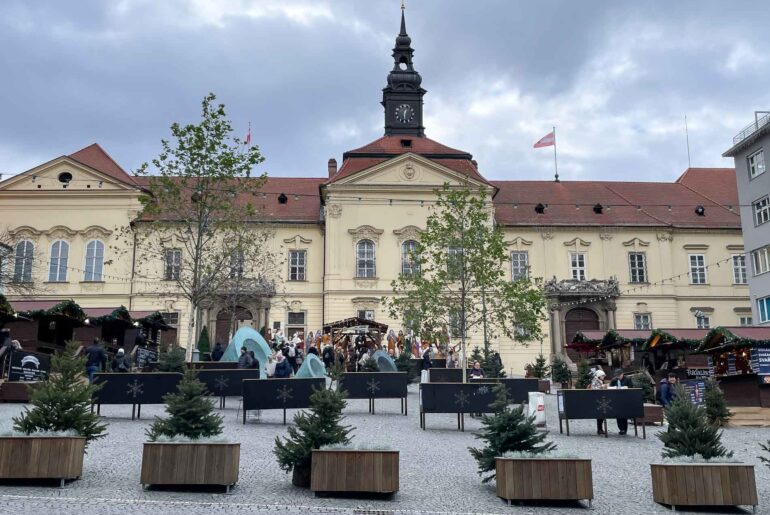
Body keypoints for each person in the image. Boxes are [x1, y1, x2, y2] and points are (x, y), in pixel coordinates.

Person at [609, 368, 632, 435]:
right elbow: (610, 388)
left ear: (622, 374)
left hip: (625, 399)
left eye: (619, 375)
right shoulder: (614, 380)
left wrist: (626, 388)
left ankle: (624, 429)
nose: (618, 377)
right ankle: (621, 429)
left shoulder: (627, 379)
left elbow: (631, 387)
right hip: (616, 399)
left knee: (624, 415)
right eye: (617, 376)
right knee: (618, 415)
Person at [589, 369, 607, 435]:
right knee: (599, 415)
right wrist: (602, 386)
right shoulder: (595, 381)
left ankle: (600, 429)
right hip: (597, 400)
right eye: (602, 376)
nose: (603, 377)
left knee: (601, 415)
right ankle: (600, 429)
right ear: (599, 376)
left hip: (600, 399)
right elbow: (594, 389)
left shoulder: (600, 381)